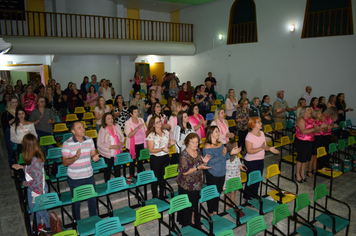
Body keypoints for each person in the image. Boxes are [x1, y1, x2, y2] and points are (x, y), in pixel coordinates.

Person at [61, 122, 100, 220]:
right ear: (73, 131)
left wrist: (94, 156)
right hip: (75, 178)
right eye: (79, 128)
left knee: (92, 200)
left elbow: (93, 154)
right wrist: (75, 157)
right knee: (76, 203)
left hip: (89, 176)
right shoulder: (67, 144)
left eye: (83, 127)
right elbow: (65, 162)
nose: (83, 129)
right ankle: (77, 223)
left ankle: (93, 220)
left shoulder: (90, 140)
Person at [12, 134, 50, 232]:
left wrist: (26, 184)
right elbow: (33, 170)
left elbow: (36, 180)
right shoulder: (34, 157)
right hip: (37, 188)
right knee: (37, 211)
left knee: (40, 211)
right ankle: (39, 229)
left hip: (36, 189)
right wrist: (22, 167)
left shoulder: (35, 160)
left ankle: (48, 229)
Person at [203, 126, 240, 215]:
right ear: (211, 133)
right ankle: (210, 211)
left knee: (218, 192)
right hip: (212, 172)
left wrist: (231, 154)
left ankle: (215, 210)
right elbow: (210, 162)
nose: (218, 133)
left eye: (218, 131)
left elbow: (225, 157)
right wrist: (223, 155)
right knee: (212, 193)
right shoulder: (207, 146)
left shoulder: (220, 143)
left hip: (222, 172)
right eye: (216, 131)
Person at [177, 133, 211, 227]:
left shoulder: (198, 151)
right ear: (187, 143)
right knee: (187, 204)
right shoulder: (183, 155)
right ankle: (186, 223)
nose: (195, 144)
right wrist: (198, 167)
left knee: (195, 203)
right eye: (193, 142)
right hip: (186, 184)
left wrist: (204, 162)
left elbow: (200, 164)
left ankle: (194, 220)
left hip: (197, 182)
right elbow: (184, 172)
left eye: (197, 142)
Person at [243, 117, 279, 202]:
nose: (261, 123)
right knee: (251, 181)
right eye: (259, 122)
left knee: (257, 180)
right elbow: (249, 151)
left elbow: (264, 147)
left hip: (260, 160)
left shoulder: (262, 133)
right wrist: (261, 148)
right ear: (253, 125)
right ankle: (247, 198)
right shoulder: (249, 136)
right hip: (251, 162)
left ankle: (254, 196)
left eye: (260, 122)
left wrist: (269, 148)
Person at [146, 116, 176, 198]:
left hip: (165, 157)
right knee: (155, 178)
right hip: (156, 159)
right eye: (157, 122)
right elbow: (151, 150)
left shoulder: (166, 132)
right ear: (153, 125)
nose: (160, 123)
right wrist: (162, 149)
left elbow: (168, 146)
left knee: (163, 177)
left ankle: (162, 195)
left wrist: (171, 144)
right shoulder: (151, 135)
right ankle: (155, 196)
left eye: (160, 121)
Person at [294, 106, 323, 183]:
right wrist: (315, 129)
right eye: (308, 110)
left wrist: (320, 129)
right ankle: (297, 174)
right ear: (304, 112)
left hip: (310, 141)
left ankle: (302, 174)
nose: (310, 111)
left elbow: (314, 132)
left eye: (310, 110)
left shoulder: (312, 120)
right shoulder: (301, 119)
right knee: (301, 158)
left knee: (306, 159)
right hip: (301, 141)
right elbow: (303, 131)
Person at [97, 113, 124, 182]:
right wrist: (111, 146)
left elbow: (122, 137)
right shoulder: (103, 129)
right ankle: (107, 184)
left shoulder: (117, 126)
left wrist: (121, 143)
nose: (111, 120)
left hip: (117, 152)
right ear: (105, 120)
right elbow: (99, 144)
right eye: (108, 119)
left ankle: (118, 184)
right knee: (107, 170)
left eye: (111, 118)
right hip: (107, 154)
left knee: (117, 169)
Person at [125, 105, 147, 176]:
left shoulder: (141, 120)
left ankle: (140, 176)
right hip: (133, 145)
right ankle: (131, 176)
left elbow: (145, 131)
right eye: (135, 112)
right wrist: (137, 128)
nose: (137, 113)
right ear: (131, 114)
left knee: (140, 161)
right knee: (133, 161)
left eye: (137, 111)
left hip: (142, 143)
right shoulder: (128, 123)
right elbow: (129, 135)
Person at [1, 95, 18, 173]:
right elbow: (5, 125)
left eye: (16, 102)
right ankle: (12, 169)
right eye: (13, 102)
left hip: (19, 132)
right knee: (11, 151)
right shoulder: (6, 113)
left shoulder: (19, 110)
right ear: (9, 103)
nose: (14, 104)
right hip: (10, 134)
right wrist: (15, 118)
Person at [308, 109, 324, 178]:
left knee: (316, 155)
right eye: (319, 113)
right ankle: (309, 170)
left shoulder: (320, 121)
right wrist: (320, 129)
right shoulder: (313, 121)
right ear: (315, 114)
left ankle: (315, 169)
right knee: (312, 156)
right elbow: (313, 132)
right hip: (314, 139)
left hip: (320, 138)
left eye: (321, 113)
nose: (321, 115)